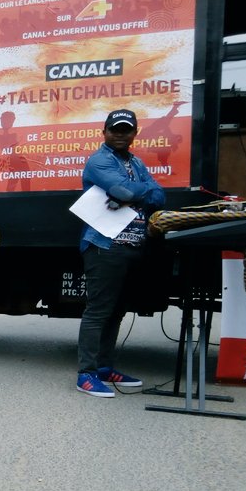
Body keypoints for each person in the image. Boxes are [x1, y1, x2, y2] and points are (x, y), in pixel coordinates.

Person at [76, 109, 166, 397]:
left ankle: (104, 368)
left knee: (116, 311)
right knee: (98, 312)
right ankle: (86, 374)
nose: (120, 134)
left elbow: (159, 196)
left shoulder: (136, 162)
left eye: (126, 130)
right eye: (115, 129)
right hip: (105, 245)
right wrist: (134, 191)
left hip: (132, 245)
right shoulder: (99, 160)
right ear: (104, 132)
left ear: (134, 133)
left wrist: (132, 191)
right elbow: (126, 192)